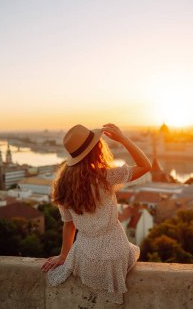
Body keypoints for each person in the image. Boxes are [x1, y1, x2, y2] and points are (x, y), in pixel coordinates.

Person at [41, 123, 151, 304]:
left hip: (84, 260)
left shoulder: (62, 185)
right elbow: (145, 165)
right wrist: (123, 139)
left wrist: (63, 256)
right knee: (133, 251)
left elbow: (69, 224)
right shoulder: (106, 177)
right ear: (96, 150)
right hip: (115, 258)